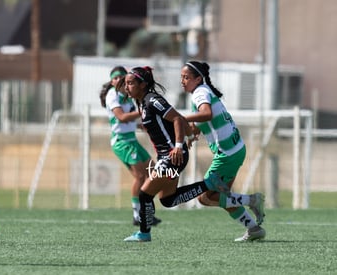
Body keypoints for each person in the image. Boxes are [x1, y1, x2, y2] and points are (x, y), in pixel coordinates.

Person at [122, 66, 229, 242]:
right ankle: (210, 183)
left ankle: (144, 233)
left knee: (144, 194)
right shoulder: (142, 103)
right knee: (168, 199)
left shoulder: (152, 100)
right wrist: (189, 133)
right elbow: (169, 122)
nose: (127, 87)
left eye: (131, 83)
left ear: (142, 85)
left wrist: (179, 145)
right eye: (126, 84)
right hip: (169, 156)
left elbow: (177, 118)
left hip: (172, 156)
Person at [181, 60, 266, 242]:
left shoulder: (200, 93)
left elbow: (206, 114)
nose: (183, 81)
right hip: (235, 150)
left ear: (198, 79)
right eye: (181, 77)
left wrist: (180, 118)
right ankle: (253, 228)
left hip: (227, 154)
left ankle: (252, 200)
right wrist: (190, 135)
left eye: (186, 77)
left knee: (204, 197)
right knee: (222, 196)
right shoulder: (203, 91)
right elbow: (202, 123)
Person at [99, 66, 161, 226]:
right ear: (111, 81)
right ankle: (137, 214)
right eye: (115, 77)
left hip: (131, 140)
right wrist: (145, 111)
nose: (119, 79)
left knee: (154, 172)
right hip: (121, 142)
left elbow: (132, 118)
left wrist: (144, 126)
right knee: (140, 177)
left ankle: (146, 211)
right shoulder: (113, 95)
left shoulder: (127, 95)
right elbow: (121, 117)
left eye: (121, 76)